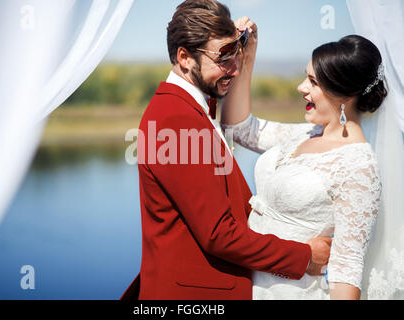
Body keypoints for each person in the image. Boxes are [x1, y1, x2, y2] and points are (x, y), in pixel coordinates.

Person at [120, 0, 331, 300]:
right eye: (223, 57)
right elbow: (219, 235)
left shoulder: (189, 108)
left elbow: (236, 122)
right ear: (184, 57)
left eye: (236, 53)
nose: (233, 67)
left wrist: (246, 49)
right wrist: (304, 256)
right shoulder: (177, 120)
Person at [221, 20, 386, 299]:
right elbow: (239, 128)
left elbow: (346, 268)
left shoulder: (360, 167)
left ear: (344, 94)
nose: (300, 87)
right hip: (243, 282)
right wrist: (247, 57)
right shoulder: (303, 134)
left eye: (313, 82)